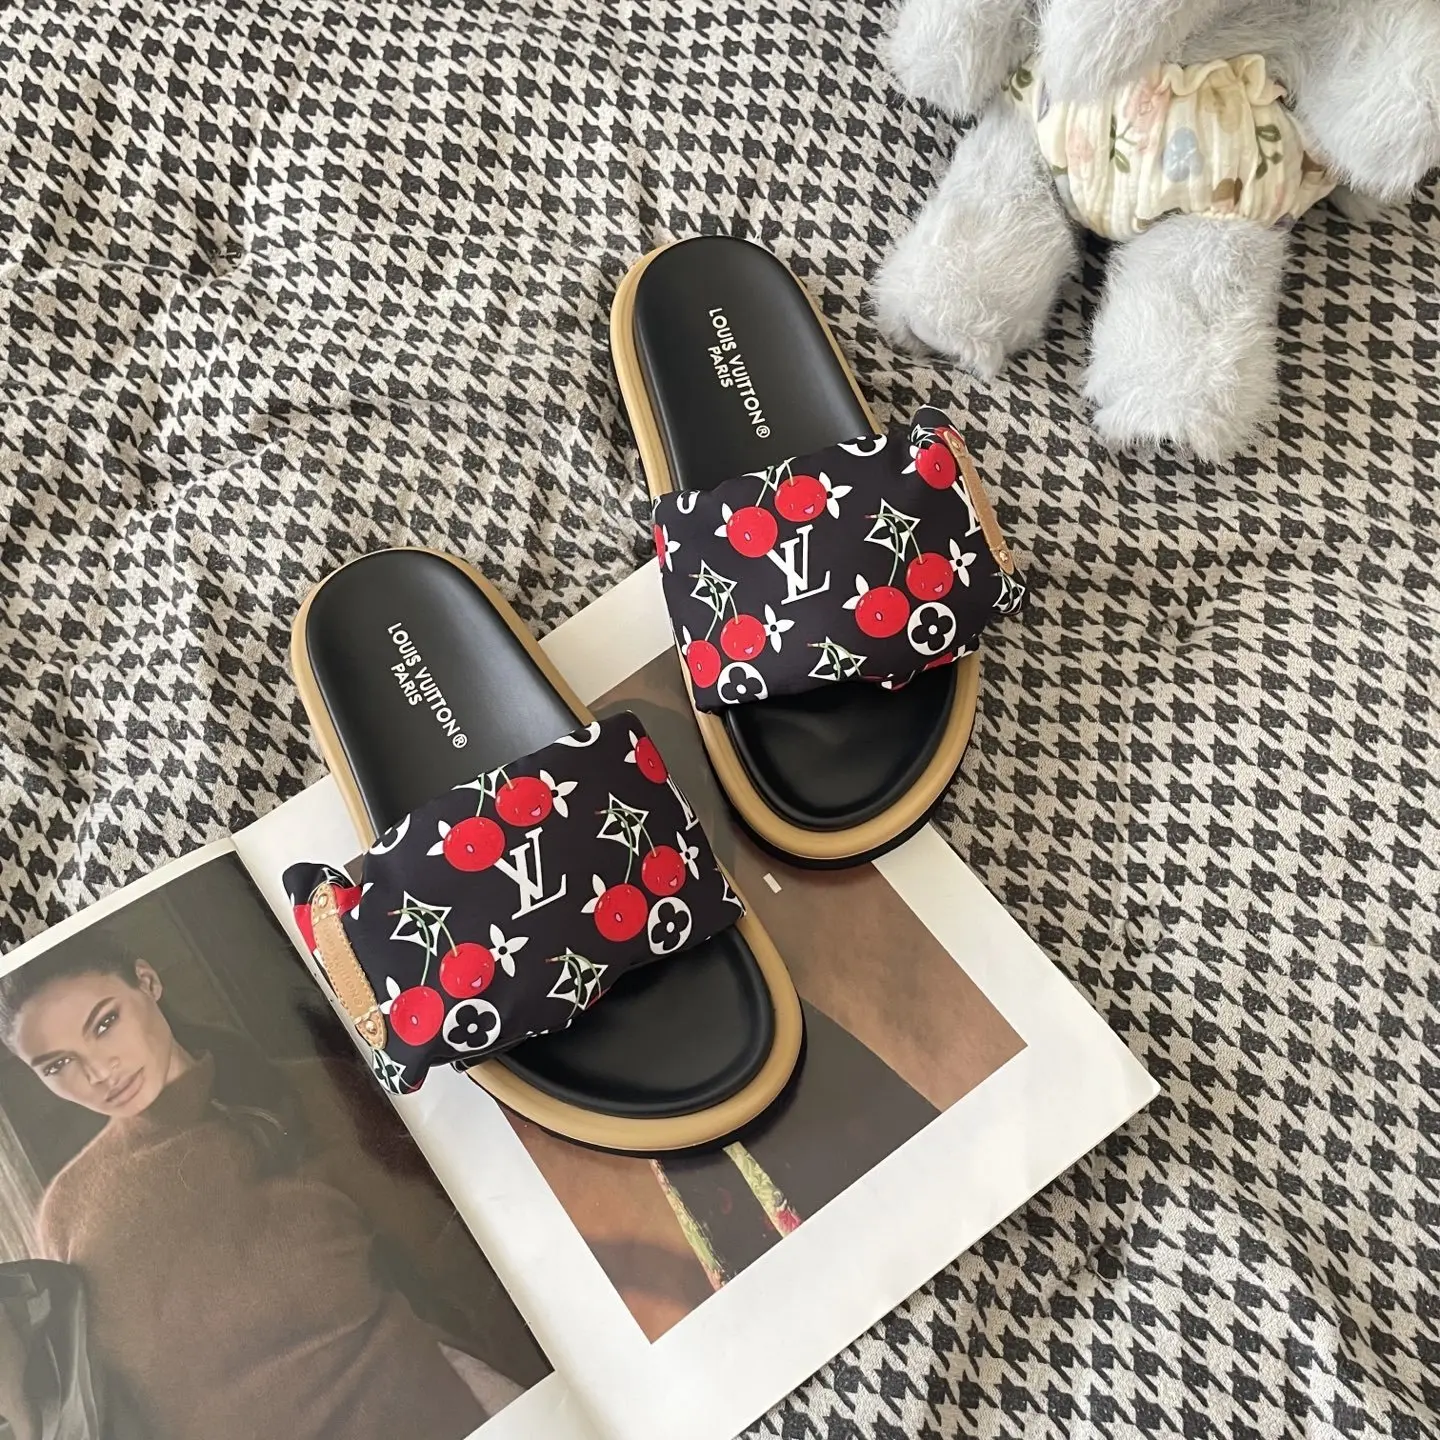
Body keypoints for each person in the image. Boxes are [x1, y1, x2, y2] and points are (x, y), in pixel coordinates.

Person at [0, 933, 522, 1440]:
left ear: (148, 981)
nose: (99, 1072)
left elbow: (459, 1270)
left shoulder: (312, 1094)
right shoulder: (66, 1211)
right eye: (58, 1065)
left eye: (105, 1023)